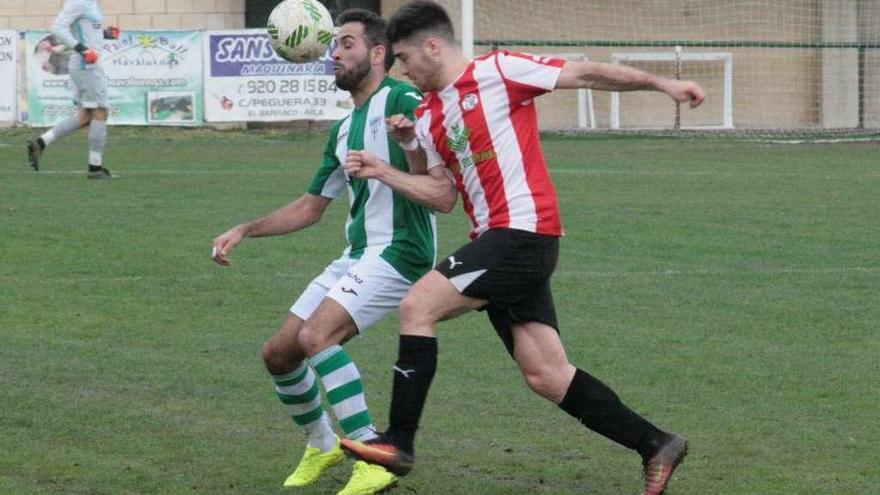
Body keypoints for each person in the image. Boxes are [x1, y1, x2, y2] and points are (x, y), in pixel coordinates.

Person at [338, 2, 706, 495]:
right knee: (547, 375)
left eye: (404, 58)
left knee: (417, 305)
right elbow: (442, 196)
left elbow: (586, 73)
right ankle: (656, 444)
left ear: (432, 46)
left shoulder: (499, 70)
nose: (402, 70)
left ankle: (398, 441)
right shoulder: (427, 116)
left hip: (524, 234)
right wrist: (404, 151)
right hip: (497, 243)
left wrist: (662, 84)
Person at [211, 9, 436, 495]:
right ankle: (322, 443)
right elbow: (311, 208)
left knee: (317, 336)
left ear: (378, 54)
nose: (335, 53)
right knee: (279, 354)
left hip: (402, 252)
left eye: (347, 44)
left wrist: (413, 138)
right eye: (334, 44)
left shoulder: (405, 99)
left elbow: (440, 175)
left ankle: (372, 454)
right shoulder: (343, 129)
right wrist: (246, 229)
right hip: (358, 254)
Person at [27, 0, 120, 178]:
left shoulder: (92, 3)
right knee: (100, 111)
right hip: (87, 64)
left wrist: (105, 34)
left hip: (88, 62)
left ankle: (40, 143)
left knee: (85, 115)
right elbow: (57, 27)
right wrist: (83, 50)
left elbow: (85, 32)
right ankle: (95, 169)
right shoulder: (79, 2)